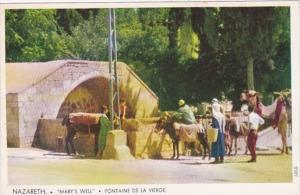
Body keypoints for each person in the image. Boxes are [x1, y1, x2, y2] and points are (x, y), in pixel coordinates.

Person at [210, 98, 226, 164]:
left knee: (216, 144)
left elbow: (214, 125)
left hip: (216, 132)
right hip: (221, 132)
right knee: (221, 144)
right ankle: (222, 159)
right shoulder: (222, 115)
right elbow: (223, 124)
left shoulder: (214, 116)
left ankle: (216, 159)